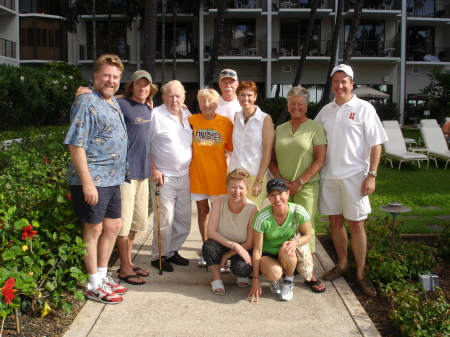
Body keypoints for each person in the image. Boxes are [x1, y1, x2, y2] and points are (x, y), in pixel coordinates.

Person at [75, 70, 158, 285]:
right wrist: (87, 91)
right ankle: (123, 266)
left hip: (142, 172)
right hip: (124, 174)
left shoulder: (148, 108)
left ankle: (128, 261)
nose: (142, 88)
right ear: (131, 86)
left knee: (135, 224)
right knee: (121, 224)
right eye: (138, 85)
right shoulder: (122, 104)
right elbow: (106, 97)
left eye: (146, 86)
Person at [314, 64, 388, 297]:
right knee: (334, 222)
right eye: (335, 82)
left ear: (351, 83)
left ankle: (361, 274)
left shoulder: (364, 108)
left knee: (356, 224)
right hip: (328, 176)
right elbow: (312, 137)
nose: (340, 86)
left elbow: (376, 144)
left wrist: (372, 175)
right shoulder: (325, 110)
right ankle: (343, 264)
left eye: (344, 81)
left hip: (355, 177)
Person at [64, 54, 128, 304]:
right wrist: (87, 182)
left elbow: (117, 95)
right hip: (93, 178)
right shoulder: (86, 102)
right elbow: (76, 144)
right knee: (94, 229)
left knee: (113, 226)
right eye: (106, 75)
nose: (111, 80)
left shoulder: (111, 101)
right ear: (95, 76)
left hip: (112, 178)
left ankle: (102, 276)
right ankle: (93, 284)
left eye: (115, 77)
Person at [268, 86, 327, 293]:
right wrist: (279, 182)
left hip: (306, 186)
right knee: (284, 227)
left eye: (300, 103)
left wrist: (299, 182)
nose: (296, 107)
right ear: (288, 105)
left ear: (306, 105)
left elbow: (320, 160)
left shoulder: (315, 128)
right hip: (282, 190)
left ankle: (309, 273)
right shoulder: (280, 129)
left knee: (305, 228)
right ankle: (287, 267)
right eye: (292, 104)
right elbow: (272, 160)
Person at [247, 178, 321, 303]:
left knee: (288, 249)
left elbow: (308, 235)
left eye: (281, 193)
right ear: (269, 198)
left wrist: (295, 242)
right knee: (275, 273)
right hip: (268, 254)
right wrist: (256, 279)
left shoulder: (298, 211)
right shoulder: (262, 218)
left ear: (288, 193)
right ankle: (274, 280)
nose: (277, 199)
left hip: (287, 252)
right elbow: (257, 250)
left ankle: (288, 281)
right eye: (273, 195)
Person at [149, 80, 193, 272]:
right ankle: (158, 256)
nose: (175, 100)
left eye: (178, 96)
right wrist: (153, 169)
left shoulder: (187, 114)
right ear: (163, 97)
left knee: (183, 219)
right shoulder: (155, 115)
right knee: (165, 219)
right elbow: (144, 146)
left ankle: (172, 250)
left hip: (185, 175)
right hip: (163, 176)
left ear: (184, 97)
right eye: (170, 96)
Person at [189, 88, 234, 267]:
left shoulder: (225, 123)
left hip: (218, 177)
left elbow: (230, 149)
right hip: (198, 175)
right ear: (199, 103)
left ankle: (222, 250)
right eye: (203, 101)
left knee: (220, 216)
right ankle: (206, 249)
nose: (206, 105)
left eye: (210, 101)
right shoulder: (192, 120)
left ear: (217, 104)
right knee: (202, 213)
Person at [202, 169, 258, 295]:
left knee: (243, 270)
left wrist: (228, 254)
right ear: (227, 187)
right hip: (223, 243)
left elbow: (249, 243)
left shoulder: (253, 208)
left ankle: (234, 267)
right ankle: (217, 278)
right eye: (233, 187)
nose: (237, 192)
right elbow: (211, 232)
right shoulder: (219, 200)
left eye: (241, 188)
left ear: (247, 190)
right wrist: (234, 246)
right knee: (209, 246)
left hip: (243, 247)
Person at [229, 81, 274, 209]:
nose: (246, 99)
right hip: (234, 174)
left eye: (249, 95)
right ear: (237, 97)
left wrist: (259, 181)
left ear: (255, 96)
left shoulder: (265, 119)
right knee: (235, 214)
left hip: (254, 175)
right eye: (242, 95)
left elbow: (267, 152)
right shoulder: (236, 117)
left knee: (253, 216)